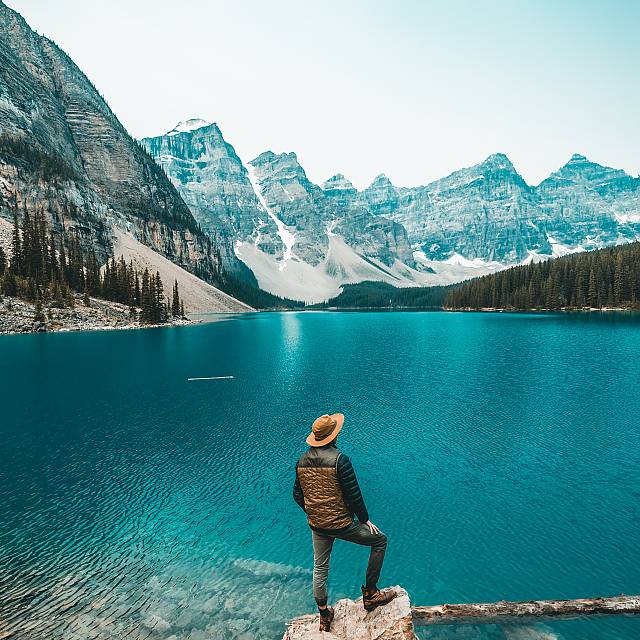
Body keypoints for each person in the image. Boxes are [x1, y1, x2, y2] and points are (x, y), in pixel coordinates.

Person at [293, 413, 396, 632]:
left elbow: (297, 495)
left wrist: (314, 512)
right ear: (333, 436)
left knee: (320, 567)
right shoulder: (340, 460)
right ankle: (370, 594)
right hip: (343, 525)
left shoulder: (301, 461)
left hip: (318, 526)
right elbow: (353, 495)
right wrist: (365, 520)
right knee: (380, 541)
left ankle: (324, 615)